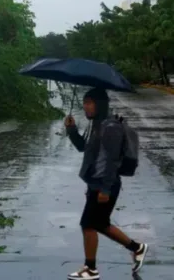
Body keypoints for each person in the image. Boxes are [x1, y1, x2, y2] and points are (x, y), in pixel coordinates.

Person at [64, 88, 148, 280]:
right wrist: (71, 129)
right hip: (97, 184)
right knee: (100, 224)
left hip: (105, 185)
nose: (86, 106)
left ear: (100, 104)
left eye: (90, 102)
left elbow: (111, 161)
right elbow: (83, 148)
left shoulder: (110, 127)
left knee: (88, 224)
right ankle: (137, 248)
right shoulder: (97, 124)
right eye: (85, 102)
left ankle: (90, 269)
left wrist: (105, 188)